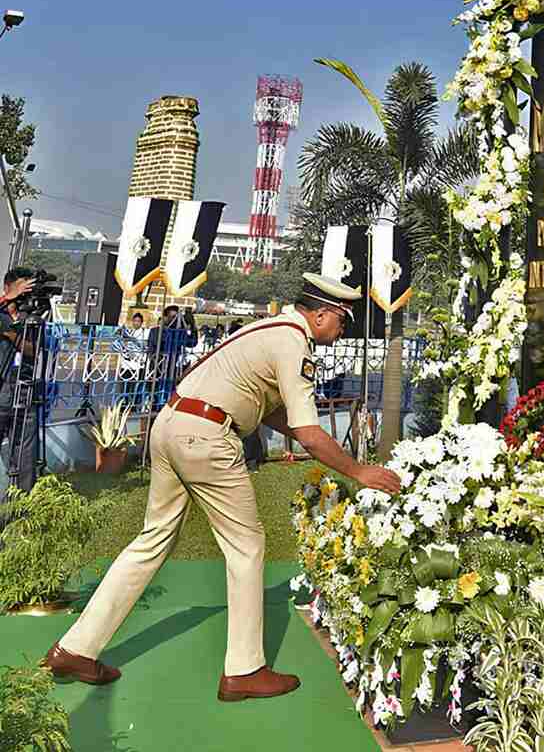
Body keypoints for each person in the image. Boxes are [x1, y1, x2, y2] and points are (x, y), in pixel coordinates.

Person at [43, 273, 402, 700]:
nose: (344, 328)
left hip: (172, 423)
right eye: (342, 320)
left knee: (151, 539)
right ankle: (245, 669)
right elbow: (307, 430)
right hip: (208, 436)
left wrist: (310, 441)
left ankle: (76, 649)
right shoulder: (293, 344)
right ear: (321, 315)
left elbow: (267, 412)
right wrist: (359, 471)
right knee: (246, 545)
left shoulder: (268, 329)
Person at [0, 269, 38, 498]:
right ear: (9, 288)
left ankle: (21, 503)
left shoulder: (29, 319)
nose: (24, 296)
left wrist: (14, 335)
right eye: (20, 290)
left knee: (24, 450)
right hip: (2, 388)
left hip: (23, 388)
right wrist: (7, 299)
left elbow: (34, 350)